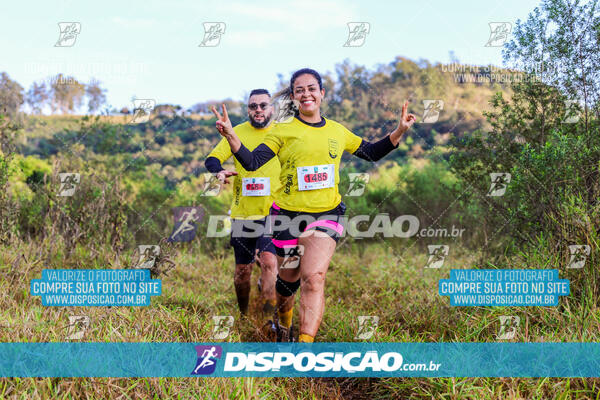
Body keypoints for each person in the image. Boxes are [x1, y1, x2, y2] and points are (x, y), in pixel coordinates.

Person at [211, 69, 416, 342]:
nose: (306, 94)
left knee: (314, 277)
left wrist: (399, 130)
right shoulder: (282, 132)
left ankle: (304, 348)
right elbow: (251, 162)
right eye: (299, 90)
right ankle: (285, 327)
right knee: (287, 283)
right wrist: (231, 136)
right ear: (293, 97)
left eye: (311, 88)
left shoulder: (337, 131)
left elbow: (370, 152)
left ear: (322, 93)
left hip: (326, 213)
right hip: (286, 217)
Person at [205, 89, 281, 339]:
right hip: (243, 213)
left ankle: (269, 321)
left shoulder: (282, 133)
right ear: (247, 110)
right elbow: (213, 158)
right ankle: (244, 314)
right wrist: (219, 171)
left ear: (271, 108)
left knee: (270, 263)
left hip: (273, 211)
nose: (258, 110)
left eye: (263, 105)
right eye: (253, 106)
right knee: (242, 273)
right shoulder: (235, 132)